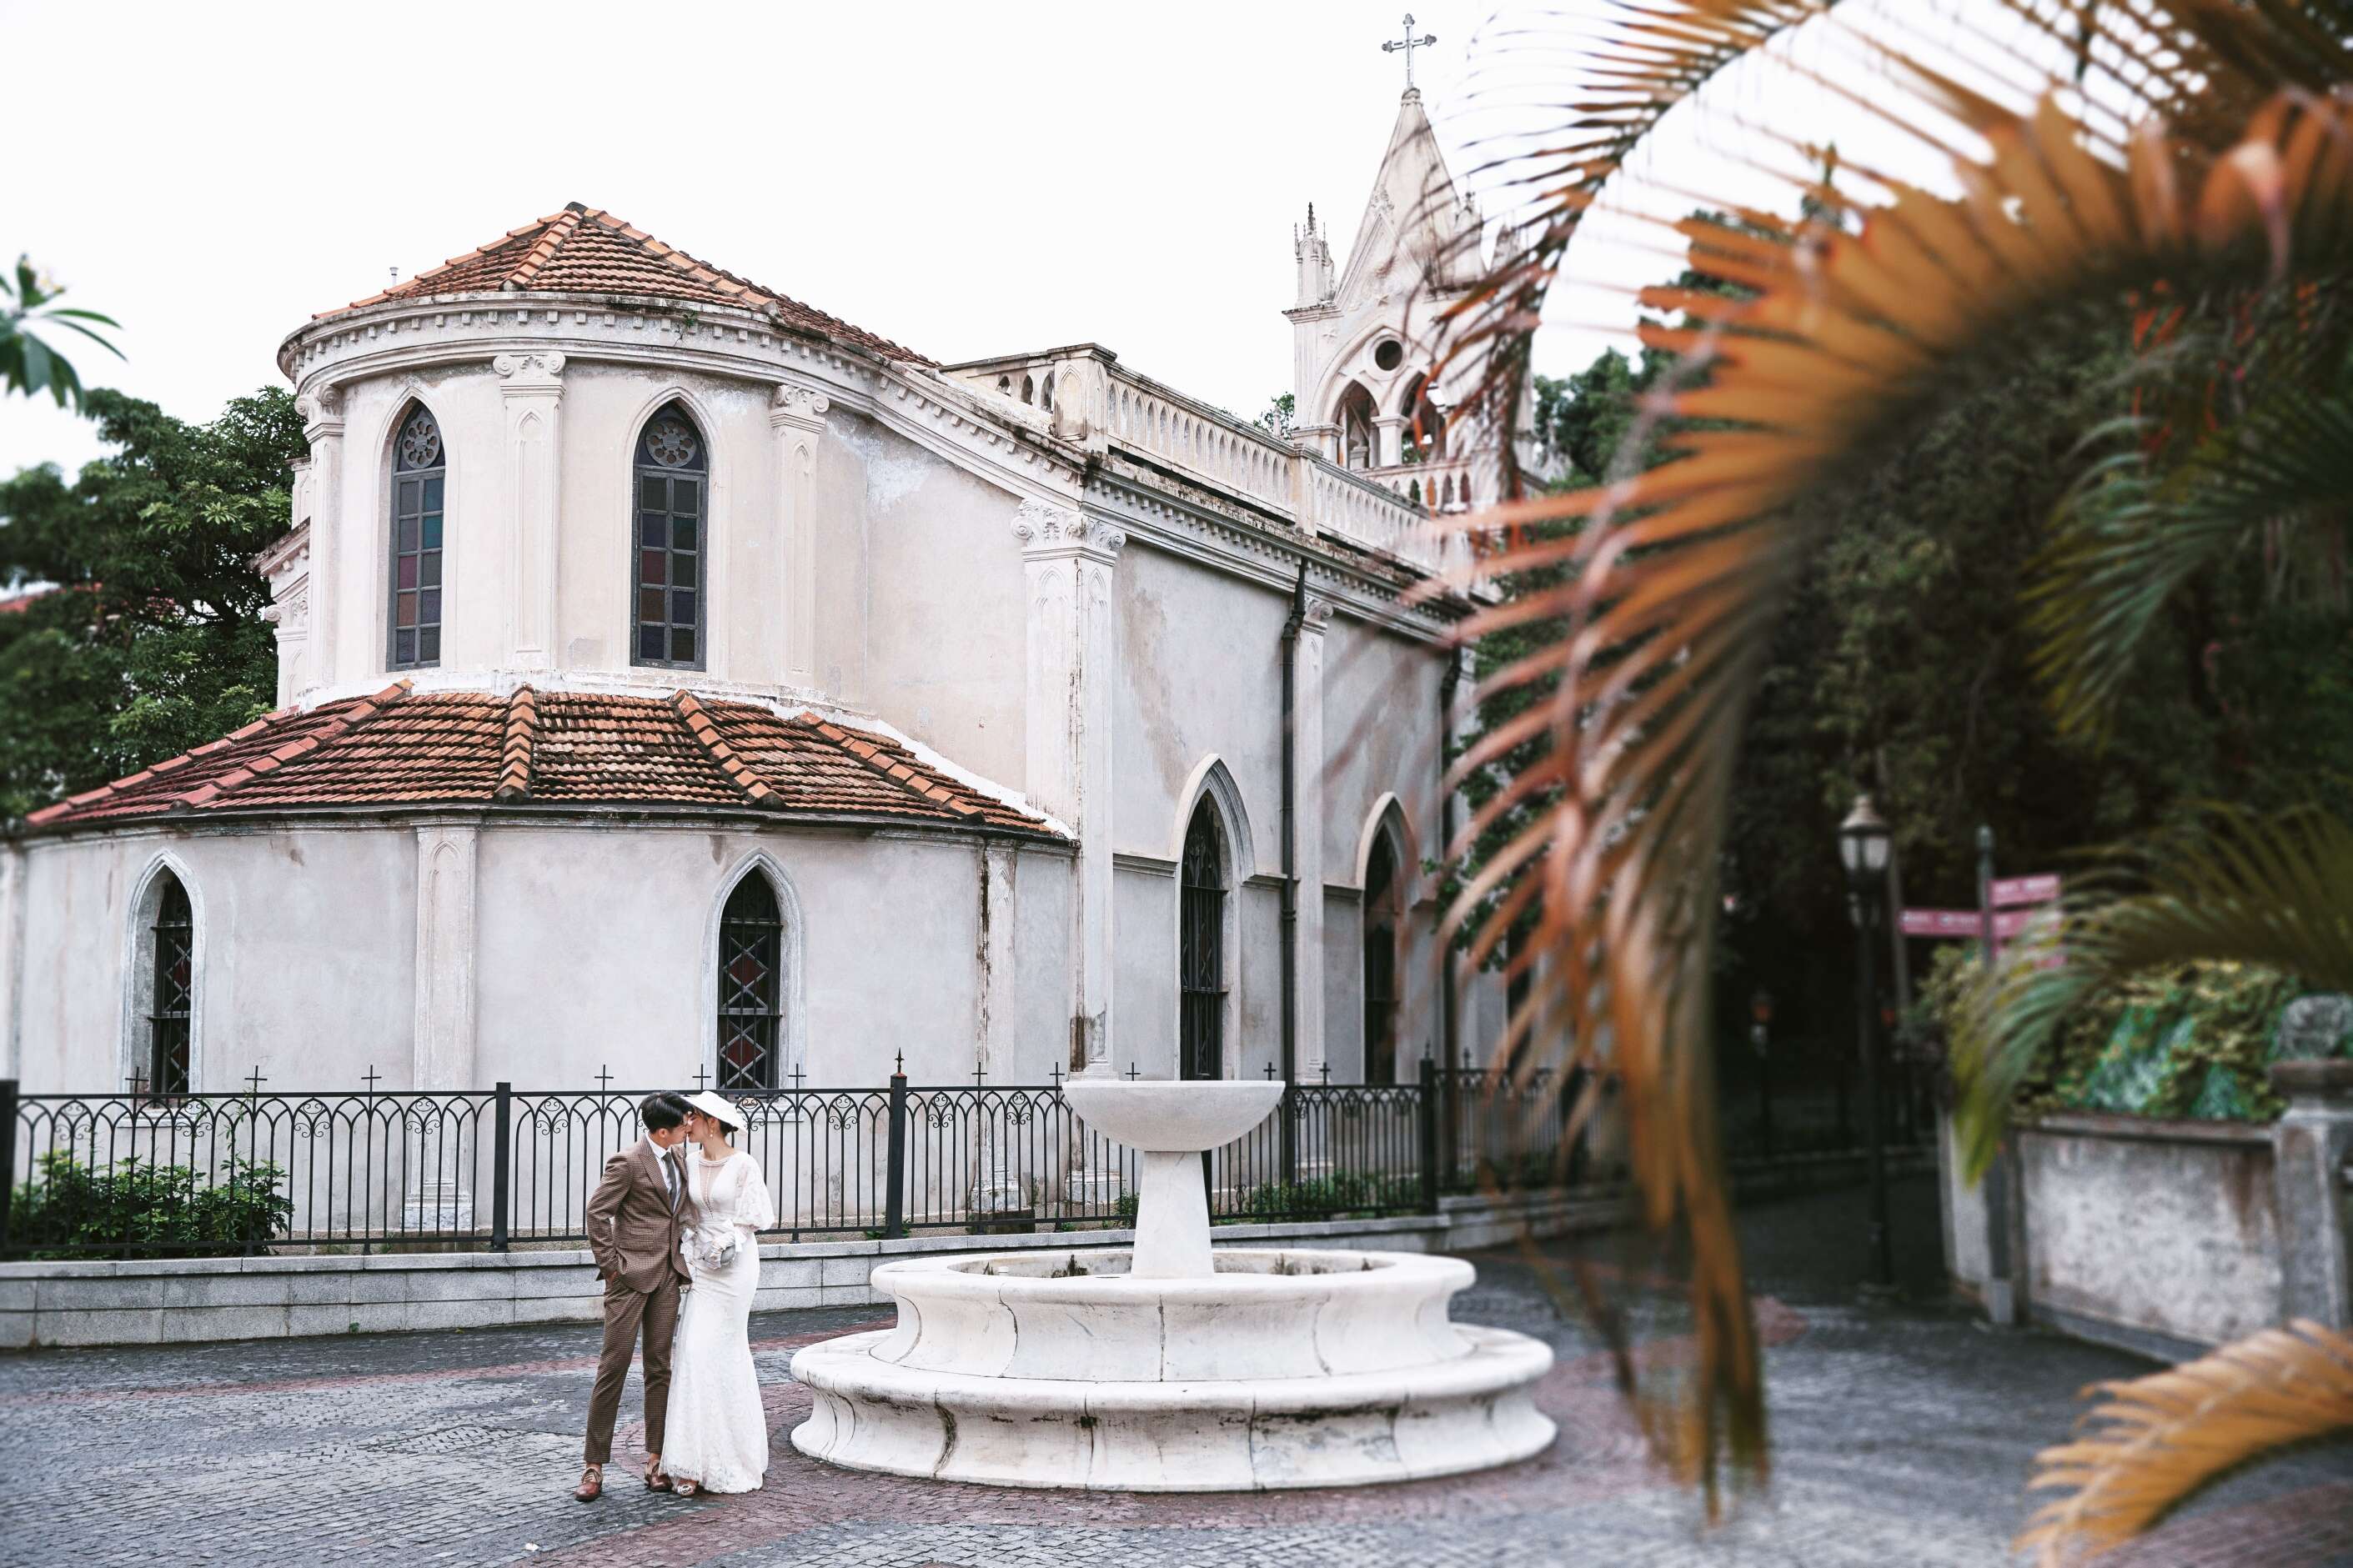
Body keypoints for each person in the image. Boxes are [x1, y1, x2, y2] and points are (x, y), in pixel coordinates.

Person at [575, 1091, 698, 1502]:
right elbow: (597, 1212)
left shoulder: (679, 1159)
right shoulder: (627, 1162)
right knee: (613, 1368)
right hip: (629, 1278)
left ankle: (655, 1459)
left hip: (668, 1276)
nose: (689, 1128)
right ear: (662, 1131)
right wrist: (612, 1268)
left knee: (660, 1368)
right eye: (683, 1124)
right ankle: (594, 1465)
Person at [660, 1089, 775, 1496]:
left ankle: (732, 1457)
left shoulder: (744, 1164)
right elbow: (685, 1215)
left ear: (712, 1122)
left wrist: (726, 1243)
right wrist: (694, 1248)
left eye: (693, 1117)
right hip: (702, 1270)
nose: (686, 1123)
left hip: (736, 1267)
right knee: (692, 1351)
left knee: (725, 1351)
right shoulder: (687, 1162)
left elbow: (753, 1217)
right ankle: (690, 1462)